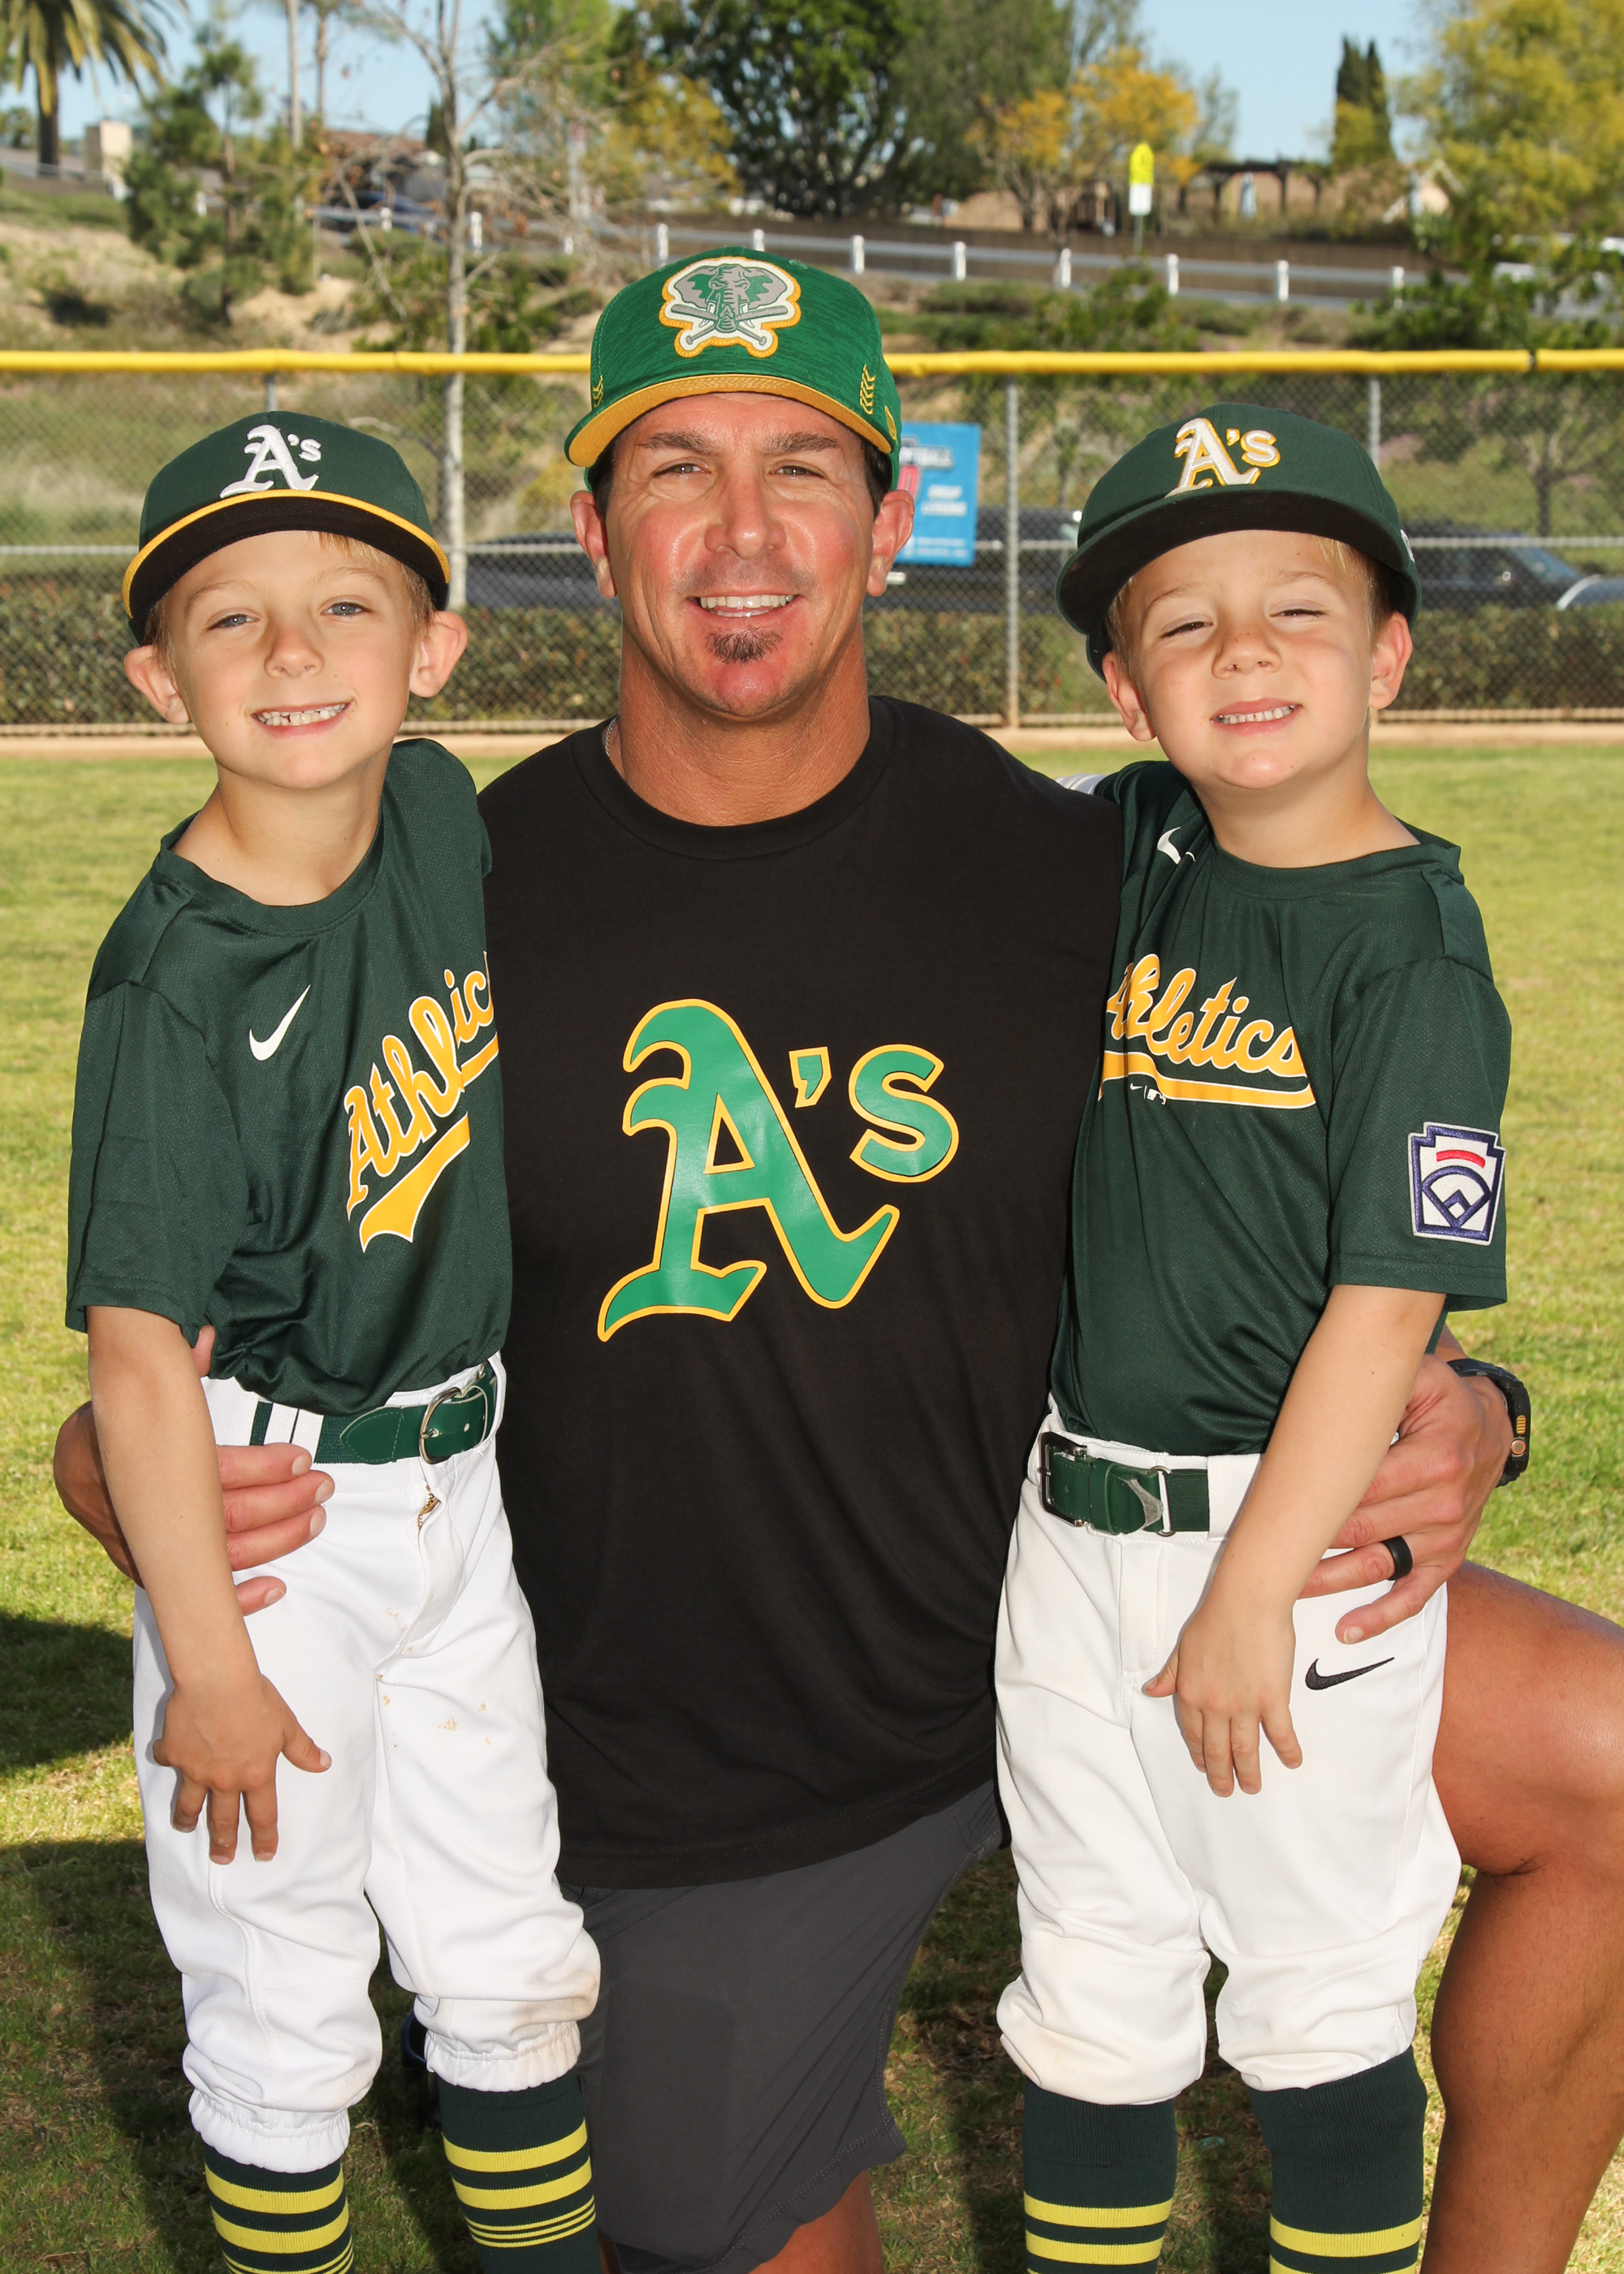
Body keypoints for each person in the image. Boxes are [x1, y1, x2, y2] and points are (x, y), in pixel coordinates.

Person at [53, 259, 1624, 2274]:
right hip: (702, 1763)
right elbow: (215, 1262)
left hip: (1111, 1595)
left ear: (891, 522)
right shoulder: (447, 887)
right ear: (591, 530)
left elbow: (1340, 1153)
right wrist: (118, 1462)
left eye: (803, 467)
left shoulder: (1097, 861)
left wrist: (1480, 1405)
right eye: (674, 469)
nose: (741, 532)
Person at [68, 417, 601, 2274]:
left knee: (510, 1958)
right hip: (273, 1529)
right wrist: (207, 1664)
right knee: (282, 1994)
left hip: (459, 1488)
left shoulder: (437, 810)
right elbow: (139, 1351)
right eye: (231, 617)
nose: (293, 652)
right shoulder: (176, 980)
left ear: (435, 648)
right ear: (159, 676)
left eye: (347, 604)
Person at [995, 405, 1512, 2274]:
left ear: (1388, 654)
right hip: (1071, 1522)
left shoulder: (1408, 945)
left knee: (1317, 1991)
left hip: (1283, 1545)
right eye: (1182, 623)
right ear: (1125, 690)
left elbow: (1390, 1302)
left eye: (1299, 607)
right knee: (1091, 1983)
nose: (1243, 653)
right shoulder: (1139, 839)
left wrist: (1249, 1588)